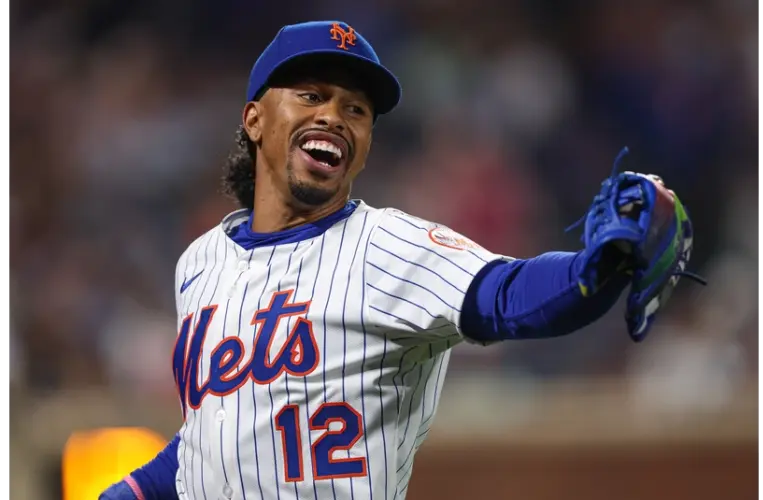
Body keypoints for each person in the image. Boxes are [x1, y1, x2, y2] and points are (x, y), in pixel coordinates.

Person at [100, 20, 698, 500]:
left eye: (356, 109)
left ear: (365, 146)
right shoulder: (200, 263)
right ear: (254, 119)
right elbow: (222, 427)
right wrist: (136, 489)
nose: (334, 115)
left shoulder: (389, 247)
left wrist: (595, 267)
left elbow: (507, 297)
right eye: (311, 95)